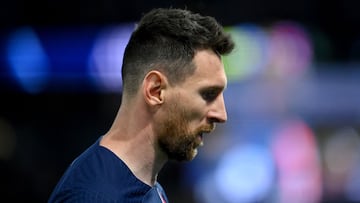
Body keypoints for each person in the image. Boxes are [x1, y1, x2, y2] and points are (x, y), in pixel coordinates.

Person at [48, 7, 234, 203]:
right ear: (155, 90)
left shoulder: (146, 184)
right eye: (208, 94)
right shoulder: (95, 197)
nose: (221, 114)